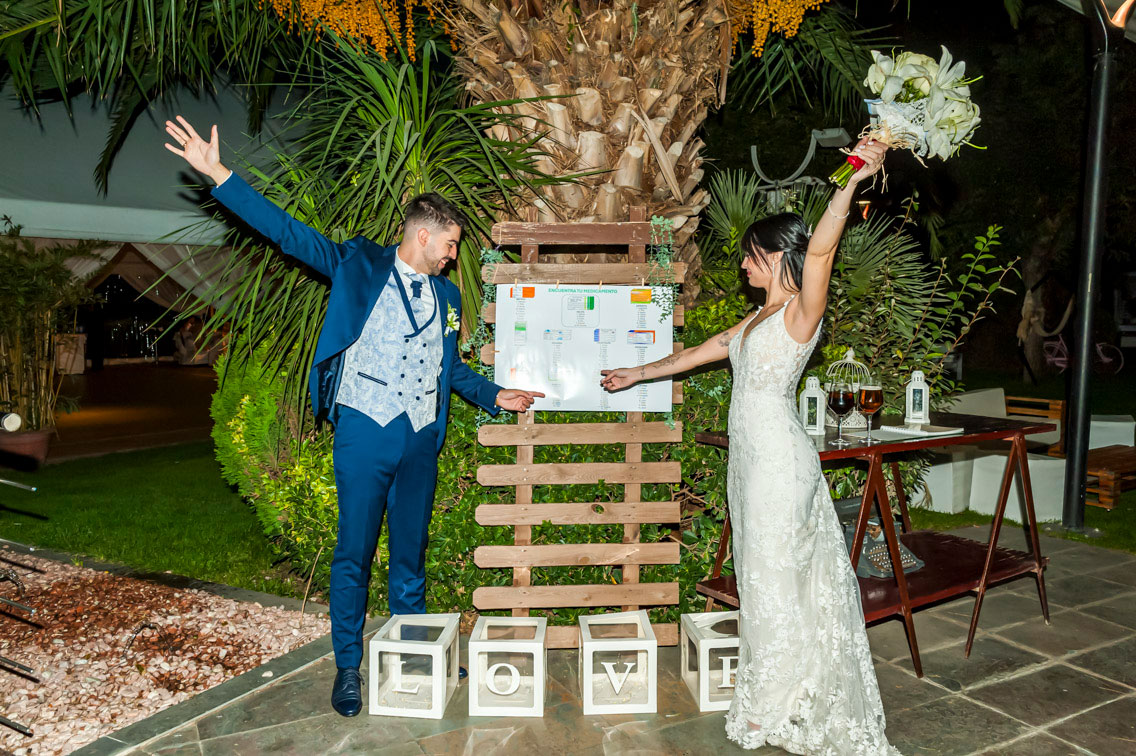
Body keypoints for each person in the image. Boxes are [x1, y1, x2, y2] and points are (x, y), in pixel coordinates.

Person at [163, 116, 544, 718]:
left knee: (410, 554)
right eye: (450, 245)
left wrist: (496, 395)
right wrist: (219, 175)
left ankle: (417, 648)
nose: (454, 257)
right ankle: (348, 665)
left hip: (420, 437)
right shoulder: (357, 264)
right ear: (423, 235)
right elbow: (287, 234)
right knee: (354, 553)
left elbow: (449, 367)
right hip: (365, 430)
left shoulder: (447, 296)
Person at [602, 138, 899, 754]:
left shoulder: (800, 314)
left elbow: (822, 249)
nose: (741, 265)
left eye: (750, 256)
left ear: (776, 256)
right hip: (749, 465)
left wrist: (850, 178)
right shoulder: (758, 319)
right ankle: (773, 694)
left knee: (775, 581)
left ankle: (781, 702)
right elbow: (699, 352)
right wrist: (636, 374)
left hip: (780, 467)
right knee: (759, 579)